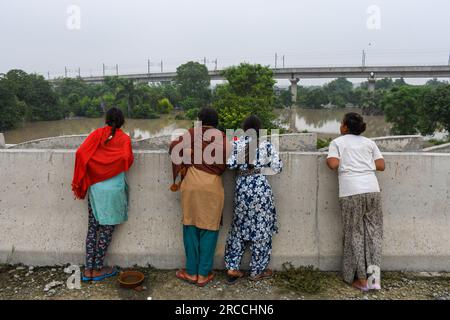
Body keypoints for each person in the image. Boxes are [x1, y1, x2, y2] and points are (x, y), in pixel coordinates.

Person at [169, 107, 231, 287]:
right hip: (212, 187)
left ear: (200, 121)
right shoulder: (223, 138)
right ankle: (203, 275)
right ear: (216, 122)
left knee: (190, 226)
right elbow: (231, 157)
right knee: (210, 229)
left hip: (191, 185)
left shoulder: (192, 134)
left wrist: (189, 155)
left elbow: (173, 147)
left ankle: (190, 272)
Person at [72, 107, 134, 282]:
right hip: (114, 190)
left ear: (106, 120)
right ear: (122, 121)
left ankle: (88, 270)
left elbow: (81, 153)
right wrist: (111, 165)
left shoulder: (97, 134)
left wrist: (95, 168)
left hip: (96, 189)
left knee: (93, 227)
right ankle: (98, 268)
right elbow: (127, 160)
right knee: (106, 230)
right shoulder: (124, 139)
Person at [326, 112, 385, 291]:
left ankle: (360, 279)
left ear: (345, 126)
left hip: (351, 192)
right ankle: (374, 279)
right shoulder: (370, 143)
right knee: (374, 235)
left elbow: (333, 164)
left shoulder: (337, 142)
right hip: (372, 190)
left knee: (355, 234)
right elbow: (381, 165)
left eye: (341, 123)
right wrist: (363, 164)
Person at [224, 115, 283, 284]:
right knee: (261, 231)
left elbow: (229, 165)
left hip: (242, 189)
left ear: (244, 129)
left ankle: (232, 267)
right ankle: (256, 271)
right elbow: (278, 167)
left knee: (239, 228)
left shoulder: (236, 143)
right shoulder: (267, 145)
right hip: (260, 189)